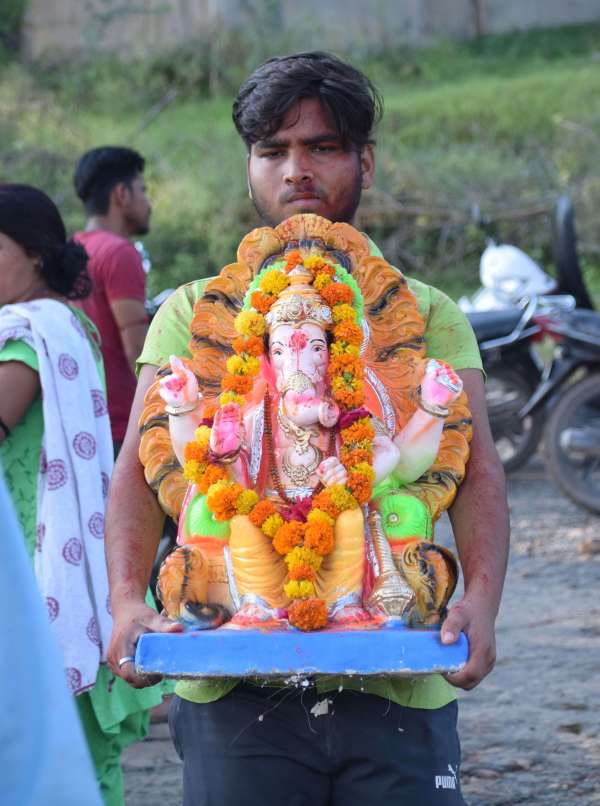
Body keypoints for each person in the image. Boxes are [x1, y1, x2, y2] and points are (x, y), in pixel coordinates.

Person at [106, 52, 510, 804]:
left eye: (322, 147)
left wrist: (480, 603)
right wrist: (129, 598)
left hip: (398, 681)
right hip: (231, 684)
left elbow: (477, 470)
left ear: (366, 160)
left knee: (394, 512)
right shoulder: (194, 310)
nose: (297, 170)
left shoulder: (424, 312)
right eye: (273, 151)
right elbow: (138, 466)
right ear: (249, 167)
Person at [0, 184, 162, 806]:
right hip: (51, 554)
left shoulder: (29, 337)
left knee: (62, 757)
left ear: (37, 253)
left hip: (44, 564)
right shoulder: (59, 325)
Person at [73, 146, 152, 453]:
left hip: (84, 420)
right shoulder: (119, 253)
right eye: (142, 191)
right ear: (122, 194)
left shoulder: (72, 249)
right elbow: (139, 351)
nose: (148, 203)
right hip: (121, 425)